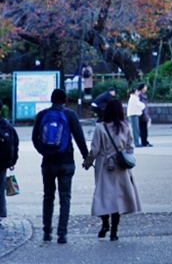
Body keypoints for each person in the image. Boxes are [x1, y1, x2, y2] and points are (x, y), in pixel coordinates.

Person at [32, 89, 90, 244]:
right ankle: (62, 234)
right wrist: (86, 158)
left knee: (48, 196)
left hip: (48, 163)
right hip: (66, 162)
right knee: (65, 197)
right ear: (64, 99)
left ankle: (46, 232)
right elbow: (79, 138)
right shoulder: (70, 115)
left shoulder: (42, 115)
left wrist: (44, 151)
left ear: (51, 100)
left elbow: (34, 138)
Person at [85, 98, 142, 241]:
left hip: (104, 165)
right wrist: (124, 157)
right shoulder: (126, 126)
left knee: (103, 197)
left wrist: (87, 163)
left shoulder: (100, 127)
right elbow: (130, 147)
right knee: (118, 198)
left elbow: (94, 150)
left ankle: (105, 224)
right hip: (121, 166)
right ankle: (114, 232)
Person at [0, 108, 18, 230]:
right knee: (0, 188)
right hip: (2, 162)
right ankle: (0, 214)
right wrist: (13, 160)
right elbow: (15, 142)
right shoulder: (6, 124)